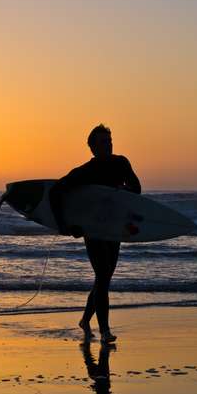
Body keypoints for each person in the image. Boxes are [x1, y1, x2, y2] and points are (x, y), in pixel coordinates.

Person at [49, 124, 141, 343]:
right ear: (92, 147)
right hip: (93, 229)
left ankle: (84, 321)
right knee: (102, 276)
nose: (108, 145)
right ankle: (105, 330)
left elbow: (136, 188)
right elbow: (55, 192)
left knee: (105, 278)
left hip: (114, 227)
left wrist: (125, 190)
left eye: (110, 141)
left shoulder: (121, 163)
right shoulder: (85, 171)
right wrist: (64, 225)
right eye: (103, 142)